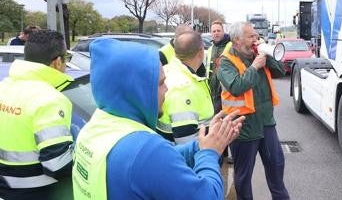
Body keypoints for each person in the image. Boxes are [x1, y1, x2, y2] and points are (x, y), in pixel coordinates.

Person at [72, 38, 244, 200]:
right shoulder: (146, 151)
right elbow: (208, 195)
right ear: (138, 90)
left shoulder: (94, 128)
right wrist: (209, 153)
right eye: (161, 83)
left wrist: (201, 144)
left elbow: (161, 161)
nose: (167, 89)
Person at [217, 22, 290, 200]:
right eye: (251, 37)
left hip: (266, 123)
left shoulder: (258, 54)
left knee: (276, 166)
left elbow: (280, 72)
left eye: (256, 36)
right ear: (236, 41)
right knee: (243, 177)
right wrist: (254, 67)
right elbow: (236, 87)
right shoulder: (225, 62)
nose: (255, 39)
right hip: (243, 127)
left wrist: (268, 54)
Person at [0, 30, 74, 200]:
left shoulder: (4, 87)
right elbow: (57, 164)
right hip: (35, 192)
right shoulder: (50, 99)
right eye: (66, 59)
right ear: (57, 62)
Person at [157, 31, 214, 144]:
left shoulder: (168, 70)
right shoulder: (184, 88)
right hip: (190, 158)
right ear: (201, 52)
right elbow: (186, 142)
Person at [206, 20, 232, 113]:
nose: (216, 33)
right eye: (214, 31)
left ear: (223, 31)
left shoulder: (231, 46)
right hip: (213, 92)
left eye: (218, 30)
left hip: (227, 91)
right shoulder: (210, 49)